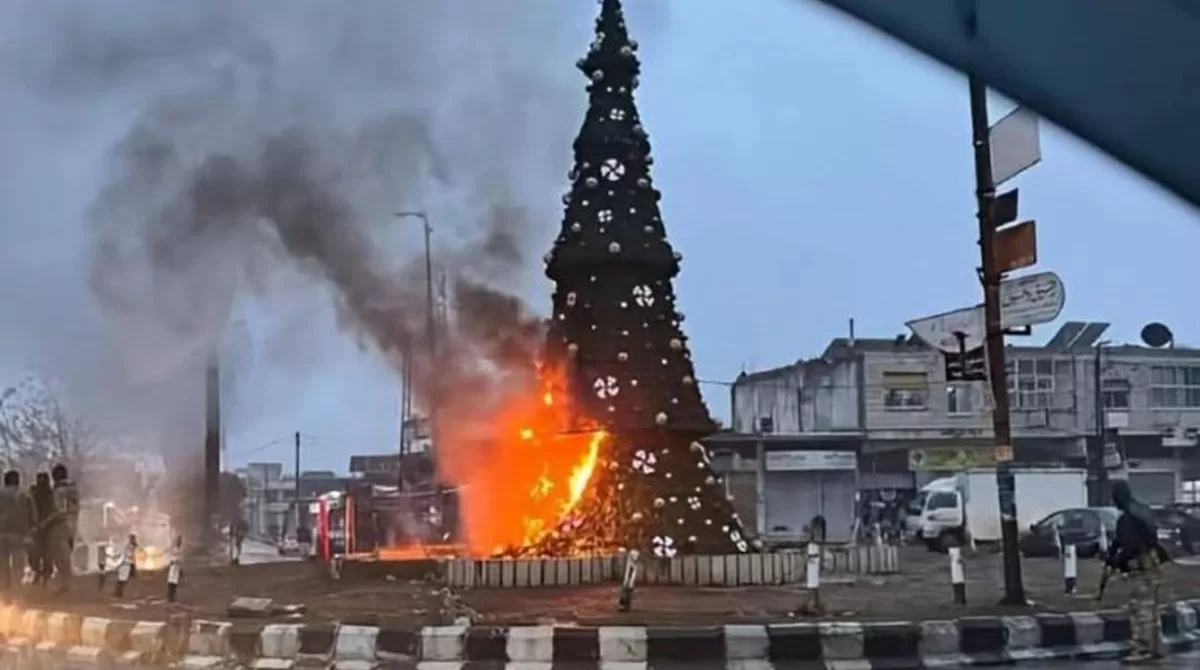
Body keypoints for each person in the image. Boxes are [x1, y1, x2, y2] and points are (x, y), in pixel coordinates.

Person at [1107, 480, 1171, 663]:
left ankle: (1142, 650)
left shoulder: (1127, 518)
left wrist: (1117, 561)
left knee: (1140, 609)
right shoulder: (1141, 510)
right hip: (1153, 564)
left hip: (1142, 566)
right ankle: (1155, 647)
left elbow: (1130, 546)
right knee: (1151, 609)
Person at [47, 464, 79, 592]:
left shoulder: (59, 491)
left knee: (60, 556)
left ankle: (65, 584)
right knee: (67, 554)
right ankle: (67, 583)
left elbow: (60, 510)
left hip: (60, 525)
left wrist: (46, 523)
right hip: (73, 523)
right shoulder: (73, 489)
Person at [0, 470, 33, 591]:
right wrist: (32, 529)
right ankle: (17, 587)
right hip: (19, 533)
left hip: (1, 534)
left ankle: (4, 589)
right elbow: (33, 513)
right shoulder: (24, 494)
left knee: (2, 563)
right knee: (18, 562)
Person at [28, 472, 54, 586]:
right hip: (36, 527)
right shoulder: (33, 494)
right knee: (34, 555)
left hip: (48, 527)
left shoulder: (51, 494)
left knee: (47, 555)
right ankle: (38, 573)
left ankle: (45, 577)